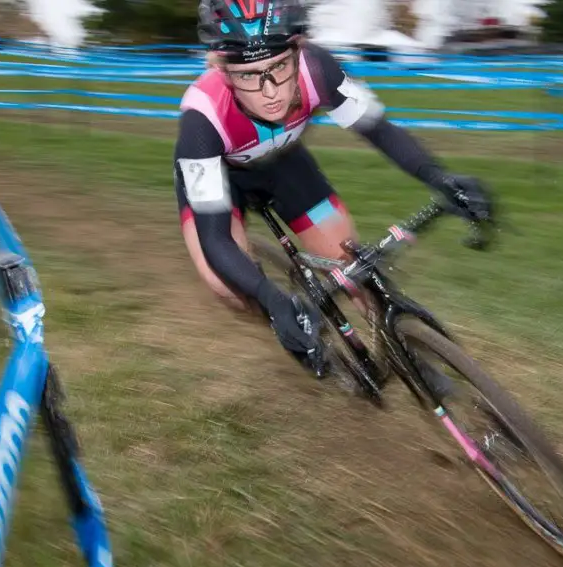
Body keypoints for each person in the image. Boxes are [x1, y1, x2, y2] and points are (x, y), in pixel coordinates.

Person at [173, 0, 494, 378]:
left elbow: (378, 130)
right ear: (222, 71)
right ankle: (290, 326)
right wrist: (271, 301)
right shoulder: (202, 118)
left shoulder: (318, 68)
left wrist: (440, 177)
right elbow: (214, 238)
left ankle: (410, 356)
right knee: (226, 283)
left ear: (299, 49)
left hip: (285, 166)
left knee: (353, 267)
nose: (270, 90)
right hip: (221, 181)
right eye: (248, 75)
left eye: (279, 66)